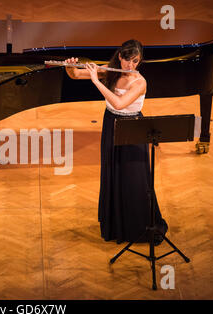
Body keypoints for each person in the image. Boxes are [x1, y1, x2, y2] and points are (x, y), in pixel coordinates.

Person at [65, 39, 167, 245]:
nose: (130, 66)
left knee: (134, 179)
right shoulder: (111, 71)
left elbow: (120, 104)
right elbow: (75, 75)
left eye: (135, 61)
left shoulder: (140, 83)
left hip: (132, 128)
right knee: (114, 172)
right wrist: (69, 65)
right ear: (120, 57)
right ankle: (116, 225)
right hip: (111, 124)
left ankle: (140, 226)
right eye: (127, 60)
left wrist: (96, 81)